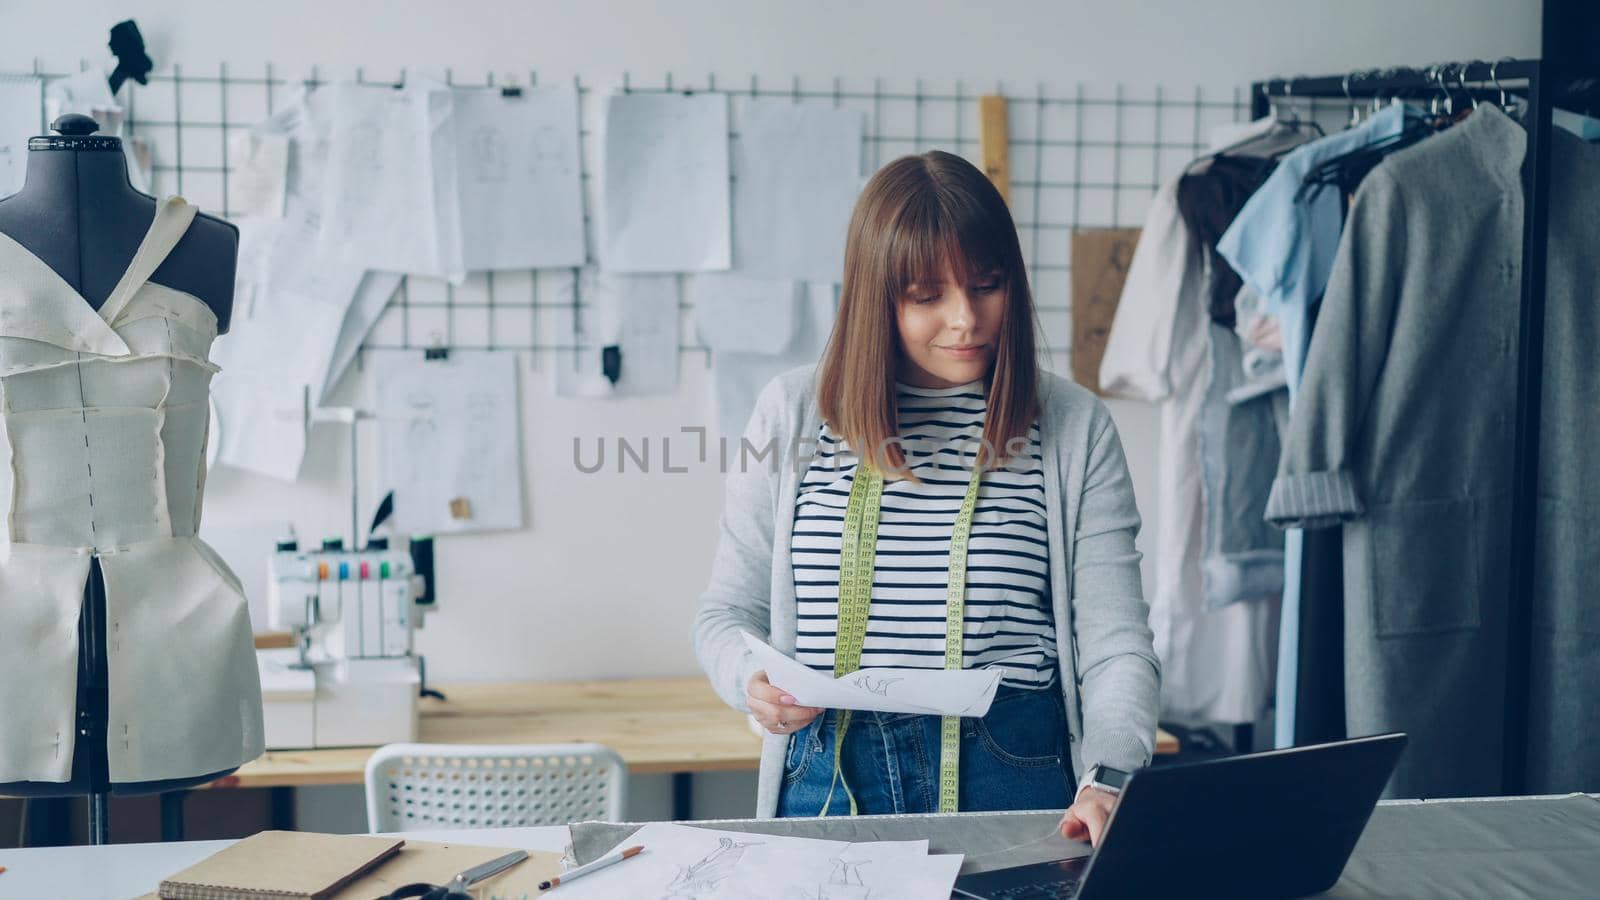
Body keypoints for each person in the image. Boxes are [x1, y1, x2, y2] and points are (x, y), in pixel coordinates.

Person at [691, 150, 1158, 845]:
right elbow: (726, 614)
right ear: (877, 297)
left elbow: (1117, 647)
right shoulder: (792, 413)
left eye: (987, 285)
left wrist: (1110, 774)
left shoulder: (1072, 426)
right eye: (926, 296)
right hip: (829, 775)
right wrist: (750, 680)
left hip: (1011, 770)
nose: (966, 319)